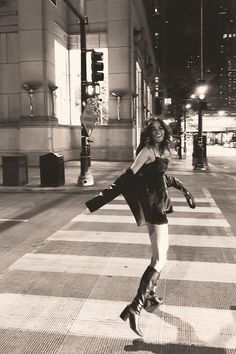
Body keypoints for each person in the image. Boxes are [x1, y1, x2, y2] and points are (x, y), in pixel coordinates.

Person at [86, 117, 196, 337]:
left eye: (160, 128)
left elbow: (160, 177)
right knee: (159, 260)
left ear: (165, 131)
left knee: (161, 254)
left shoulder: (163, 150)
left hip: (160, 204)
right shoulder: (147, 151)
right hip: (153, 207)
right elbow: (128, 177)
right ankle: (135, 307)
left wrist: (183, 188)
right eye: (153, 129)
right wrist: (101, 198)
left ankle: (151, 295)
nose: (157, 132)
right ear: (148, 133)